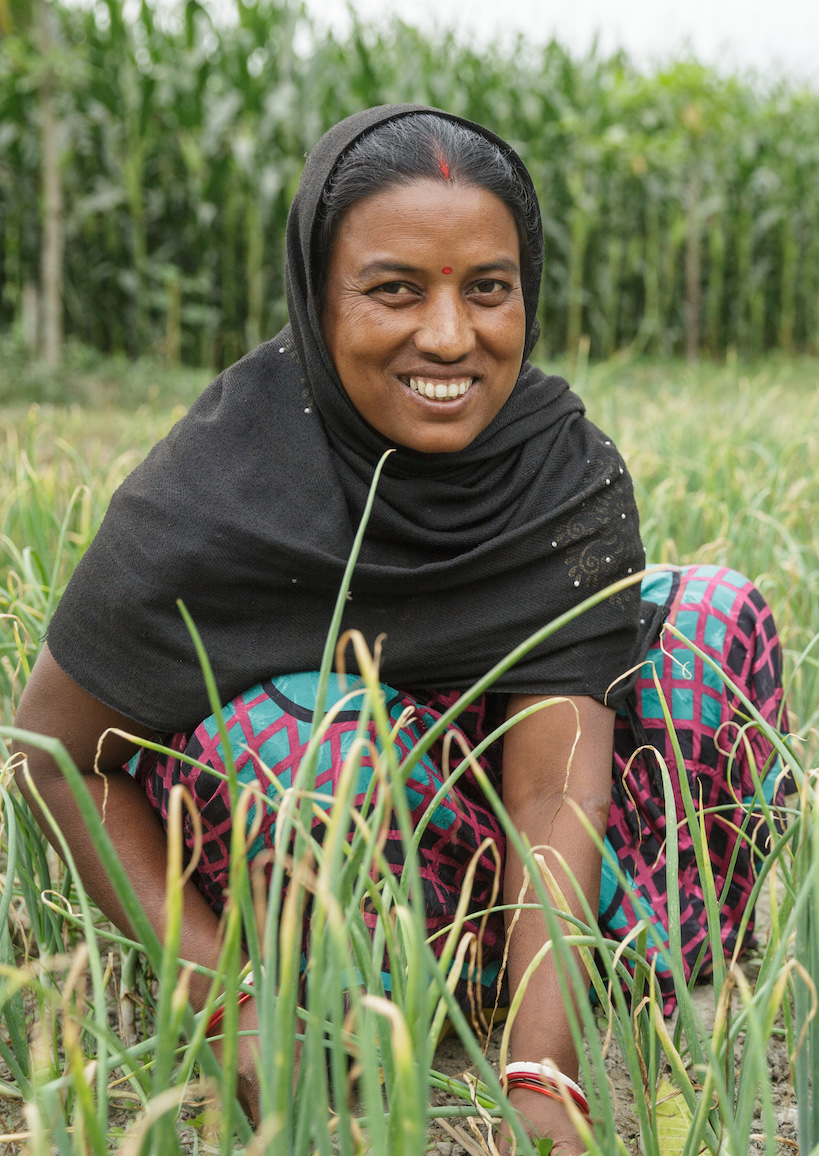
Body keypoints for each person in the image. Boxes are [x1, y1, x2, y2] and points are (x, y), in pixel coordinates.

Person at [12, 105, 788, 1155]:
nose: (450, 336)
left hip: (536, 890)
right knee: (296, 749)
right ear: (315, 298)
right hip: (345, 917)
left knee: (709, 618)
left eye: (487, 288)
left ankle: (602, 984)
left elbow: (555, 790)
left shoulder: (560, 470)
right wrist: (224, 1001)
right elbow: (51, 755)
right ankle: (362, 1013)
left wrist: (541, 1069)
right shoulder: (214, 491)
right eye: (394, 289)